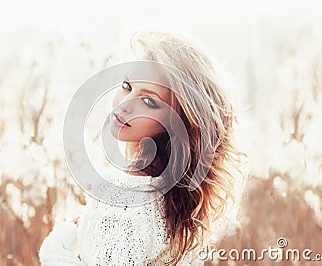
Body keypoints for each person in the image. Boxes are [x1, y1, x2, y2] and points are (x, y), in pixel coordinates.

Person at [39, 31, 246, 265]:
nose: (125, 105)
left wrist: (56, 246)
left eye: (148, 101)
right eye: (127, 86)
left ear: (178, 121)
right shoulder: (182, 201)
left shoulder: (124, 193)